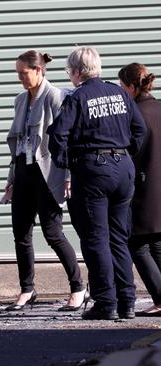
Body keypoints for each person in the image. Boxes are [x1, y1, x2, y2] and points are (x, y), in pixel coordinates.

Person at [47, 47, 147, 320]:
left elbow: (57, 135)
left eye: (69, 70)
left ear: (78, 71)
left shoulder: (78, 97)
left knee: (96, 239)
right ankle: (127, 302)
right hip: (123, 169)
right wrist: (127, 153)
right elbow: (140, 129)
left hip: (93, 171)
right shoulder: (120, 94)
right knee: (119, 238)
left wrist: (68, 162)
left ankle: (106, 302)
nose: (70, 75)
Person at [4, 50, 86, 312]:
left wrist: (69, 176)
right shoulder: (20, 100)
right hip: (24, 170)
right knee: (21, 233)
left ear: (38, 71)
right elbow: (17, 142)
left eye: (24, 73)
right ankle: (27, 289)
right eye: (18, 74)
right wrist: (12, 178)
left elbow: (68, 139)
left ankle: (78, 287)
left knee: (53, 233)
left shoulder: (56, 97)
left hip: (48, 171)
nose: (20, 78)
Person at [118, 63, 161, 317]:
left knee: (136, 243)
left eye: (123, 87)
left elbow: (130, 150)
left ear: (133, 87)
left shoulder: (134, 114)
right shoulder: (158, 108)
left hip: (144, 185)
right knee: (156, 243)